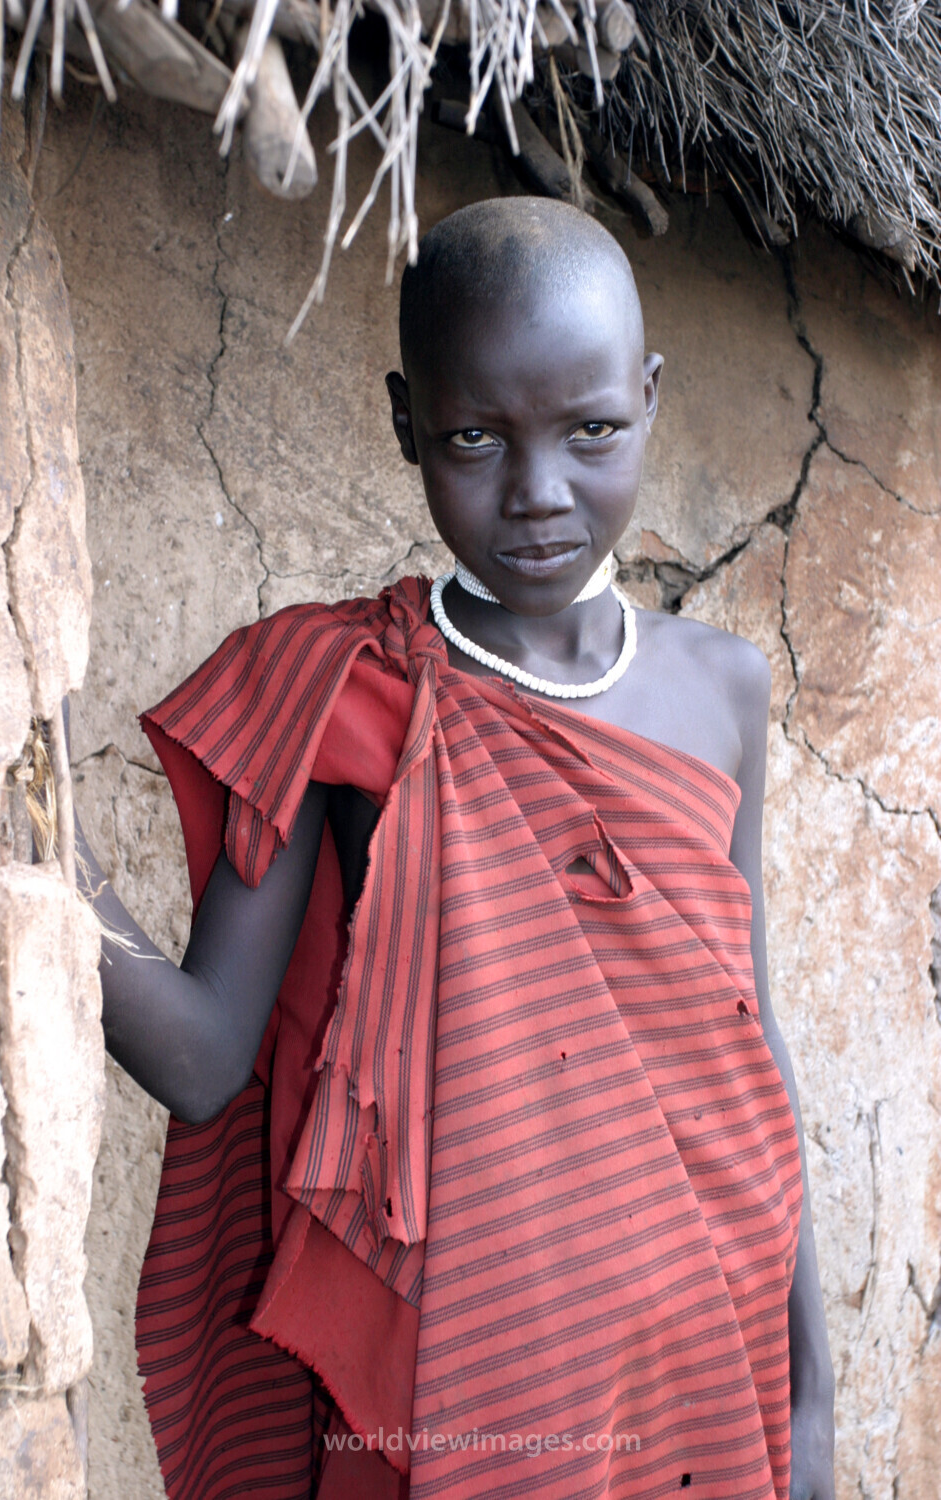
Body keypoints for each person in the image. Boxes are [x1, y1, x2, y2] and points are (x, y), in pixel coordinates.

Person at [76, 196, 836, 1500]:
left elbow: (747, 1039)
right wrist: (33, 854)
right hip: (464, 1364)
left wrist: (812, 1396)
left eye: (592, 431)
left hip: (707, 1341)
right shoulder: (346, 694)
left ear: (650, 399)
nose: (540, 494)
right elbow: (205, 1060)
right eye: (477, 438)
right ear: (403, 421)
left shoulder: (724, 690)